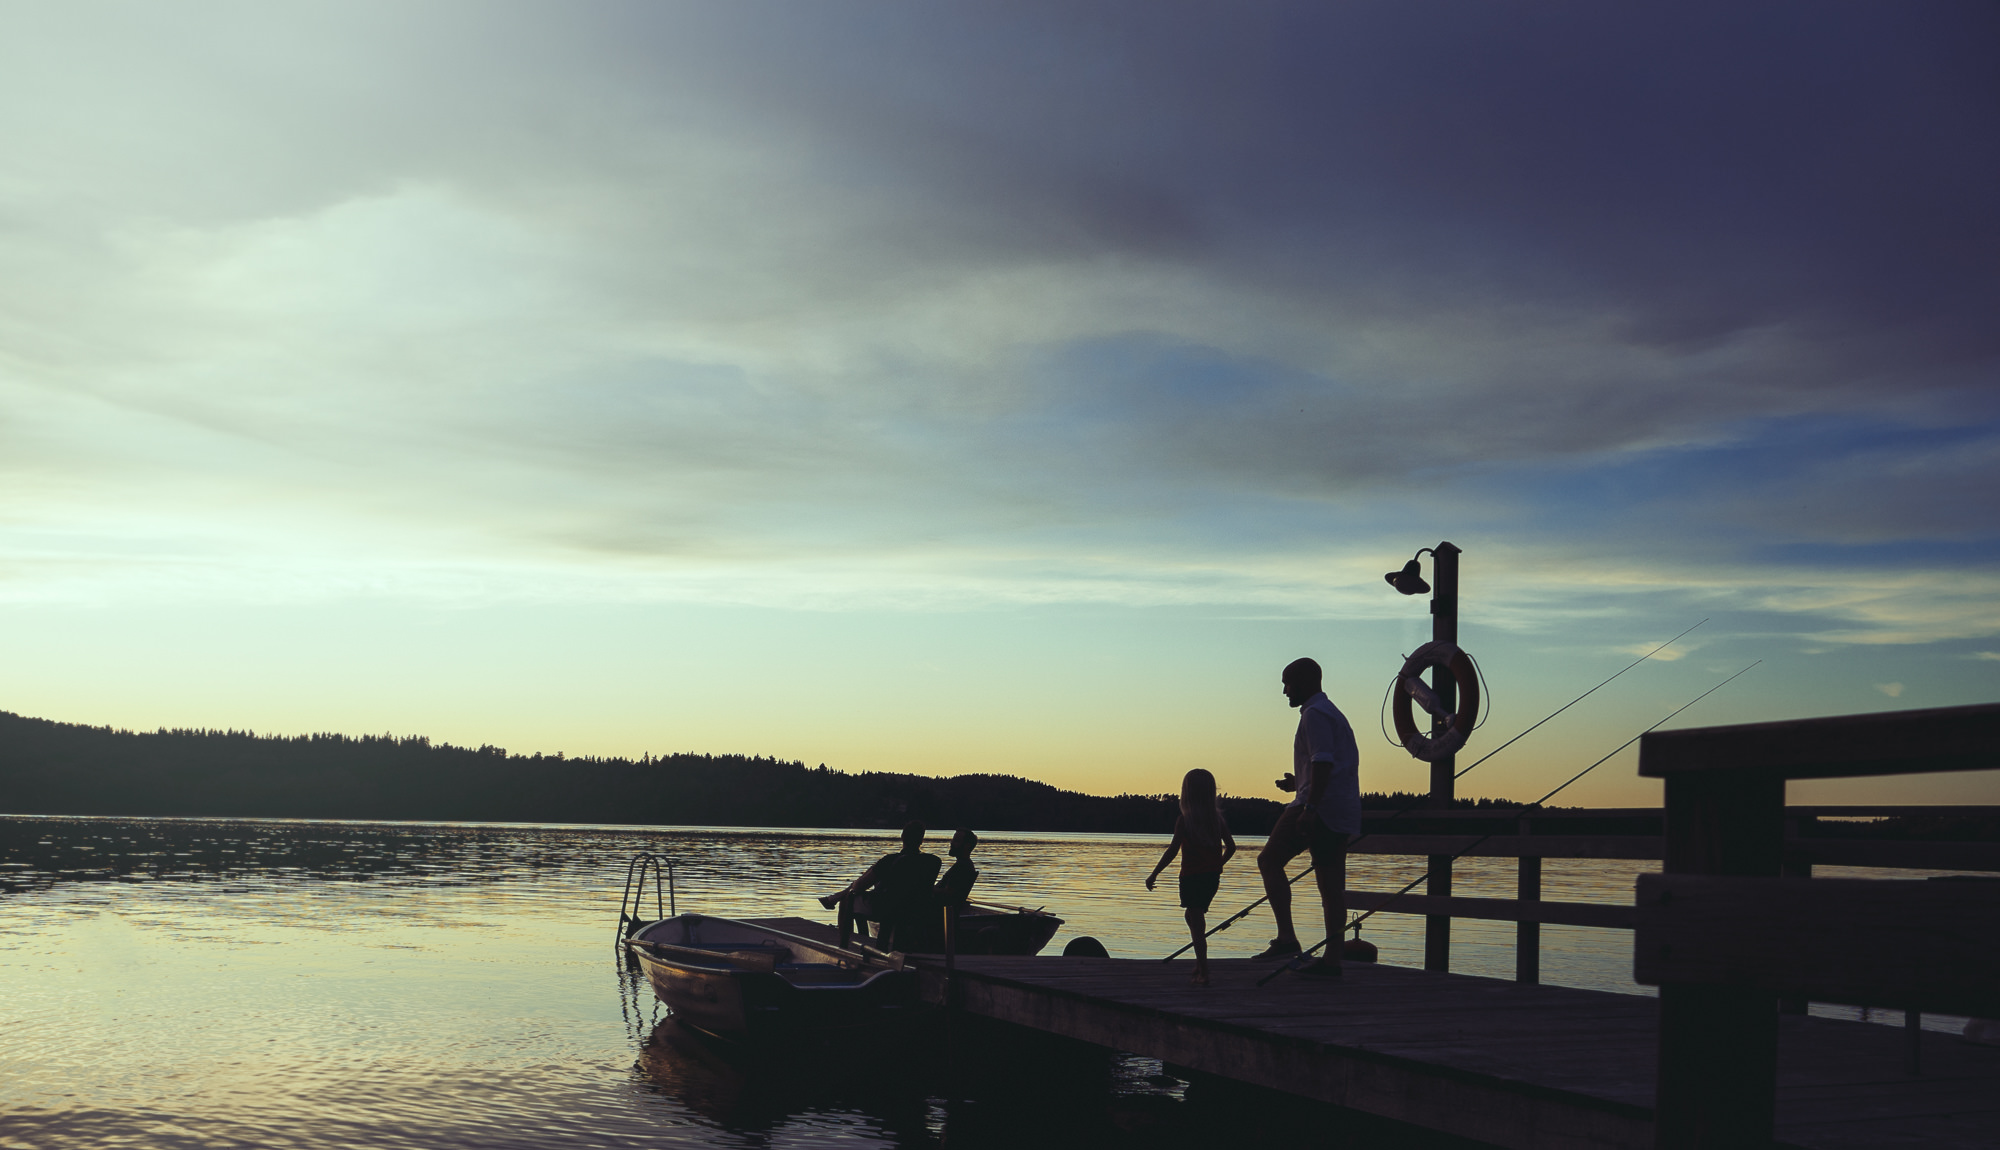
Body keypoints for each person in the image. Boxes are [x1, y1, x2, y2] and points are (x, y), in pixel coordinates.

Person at [1252, 657, 1359, 976]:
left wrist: (1309, 806)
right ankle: (1333, 960)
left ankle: (1287, 938)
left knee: (1269, 861)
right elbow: (1333, 767)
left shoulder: (1314, 715)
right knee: (1330, 887)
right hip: (1339, 808)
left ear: (1305, 681)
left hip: (1317, 808)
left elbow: (1324, 763)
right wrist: (1299, 780)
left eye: (1288, 683)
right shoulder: (1332, 714)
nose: (1284, 690)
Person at [1146, 768, 1237, 987]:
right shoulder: (1217, 820)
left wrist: (1154, 874)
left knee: (1196, 923)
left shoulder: (1185, 821)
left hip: (1191, 878)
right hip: (1210, 879)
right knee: (1193, 918)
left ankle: (1203, 969)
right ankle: (1200, 963)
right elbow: (1232, 848)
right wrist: (1217, 866)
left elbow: (1172, 851)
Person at [820, 822, 941, 950]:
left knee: (847, 899)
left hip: (885, 908)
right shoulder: (932, 862)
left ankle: (844, 947)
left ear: (902, 837)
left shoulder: (890, 860)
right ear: (921, 841)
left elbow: (860, 886)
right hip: (916, 908)